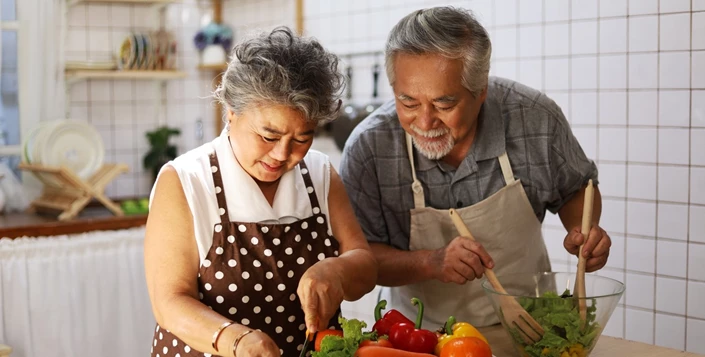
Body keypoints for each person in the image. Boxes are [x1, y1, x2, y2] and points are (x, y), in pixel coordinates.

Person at [339, 6, 611, 329]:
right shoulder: (369, 148)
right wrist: (431, 262)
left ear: (481, 91)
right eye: (408, 102)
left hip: (529, 330)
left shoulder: (534, 119)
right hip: (422, 337)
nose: (425, 122)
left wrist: (584, 232)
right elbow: (360, 259)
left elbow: (576, 189)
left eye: (444, 103)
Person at [144, 27, 377, 357]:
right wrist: (234, 340)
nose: (283, 154)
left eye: (301, 139)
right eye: (268, 136)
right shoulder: (185, 181)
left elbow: (366, 267)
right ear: (232, 112)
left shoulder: (320, 173)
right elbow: (168, 302)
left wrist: (337, 271)